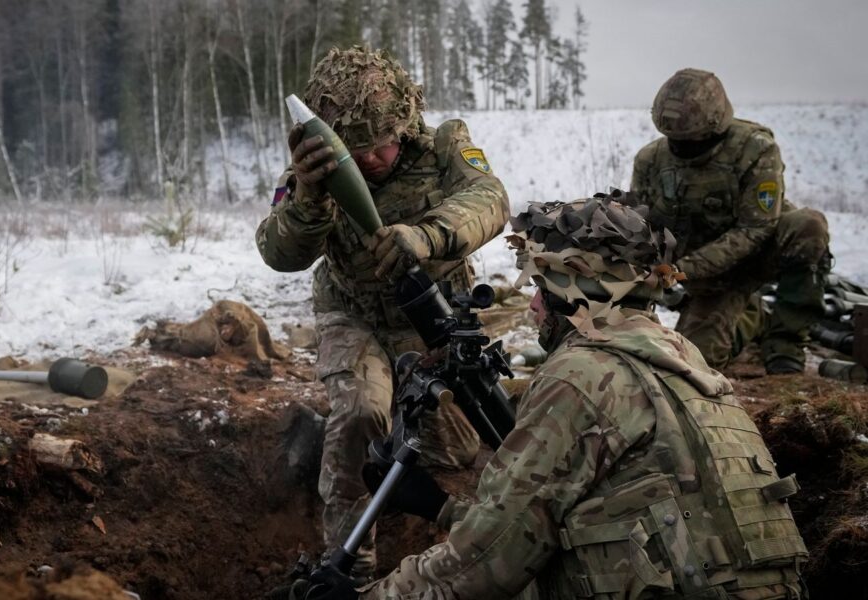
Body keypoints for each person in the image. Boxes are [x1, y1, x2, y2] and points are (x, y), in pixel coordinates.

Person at [303, 195, 807, 599]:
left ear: (576, 294)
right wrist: (441, 508)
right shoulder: (687, 360)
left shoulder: (580, 376)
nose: (535, 304)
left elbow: (485, 568)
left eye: (542, 287)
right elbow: (586, 522)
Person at [255, 46, 510, 578]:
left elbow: (490, 199)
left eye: (381, 145)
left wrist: (426, 236)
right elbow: (279, 253)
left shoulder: (444, 147)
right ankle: (352, 570)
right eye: (358, 150)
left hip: (431, 319)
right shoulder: (313, 173)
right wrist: (307, 200)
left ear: (405, 122)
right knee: (360, 414)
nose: (370, 160)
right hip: (354, 315)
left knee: (460, 451)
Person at [631, 68, 831, 374]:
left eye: (691, 142)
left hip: (757, 254)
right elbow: (644, 227)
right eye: (674, 141)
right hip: (710, 279)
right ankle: (750, 320)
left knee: (808, 226)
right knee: (692, 362)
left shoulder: (755, 149)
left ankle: (785, 341)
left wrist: (682, 271)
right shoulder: (651, 160)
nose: (682, 150)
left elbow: (755, 229)